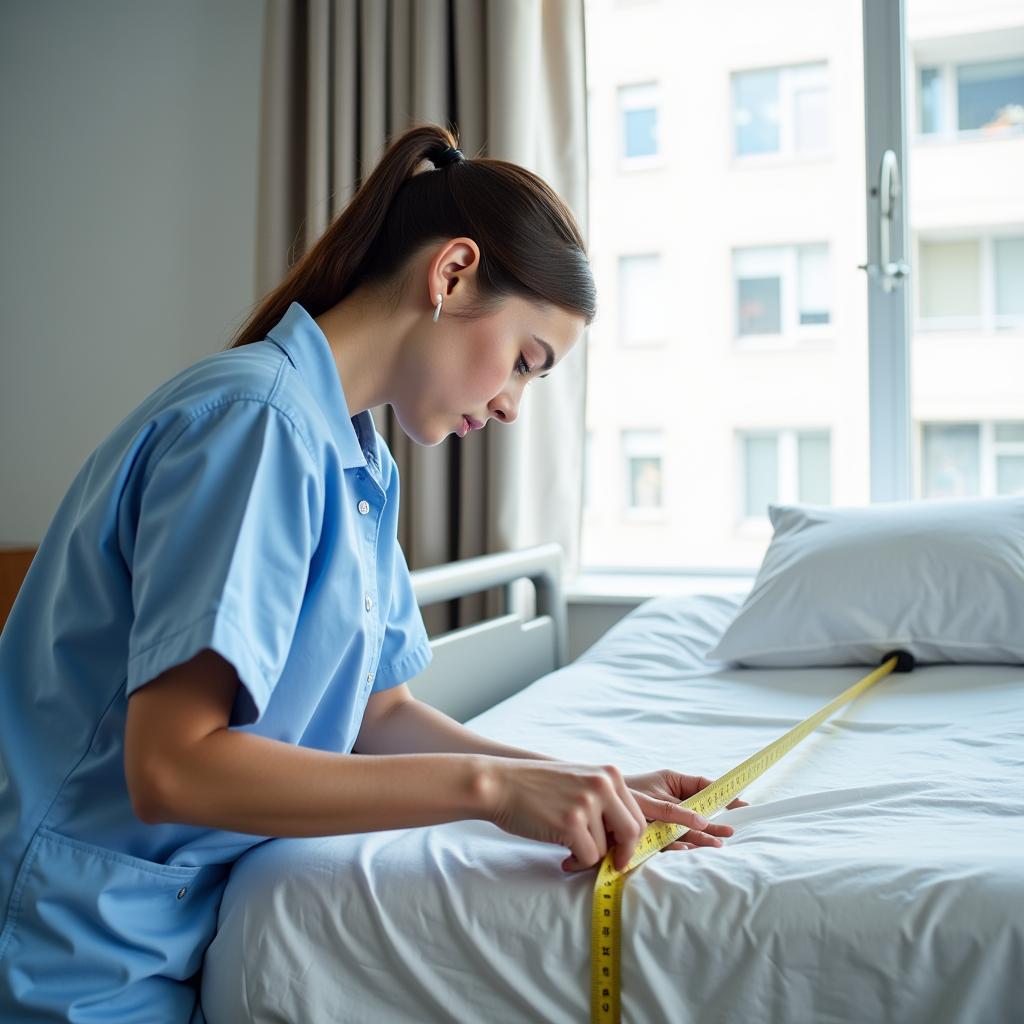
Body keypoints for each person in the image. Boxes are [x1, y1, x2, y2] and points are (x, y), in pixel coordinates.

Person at [0, 122, 744, 1022]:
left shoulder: (355, 459)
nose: (512, 404)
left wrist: (584, 781)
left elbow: (375, 715)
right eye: (524, 362)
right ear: (453, 273)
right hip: (69, 942)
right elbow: (173, 769)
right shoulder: (254, 424)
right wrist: (492, 791)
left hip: (168, 930)